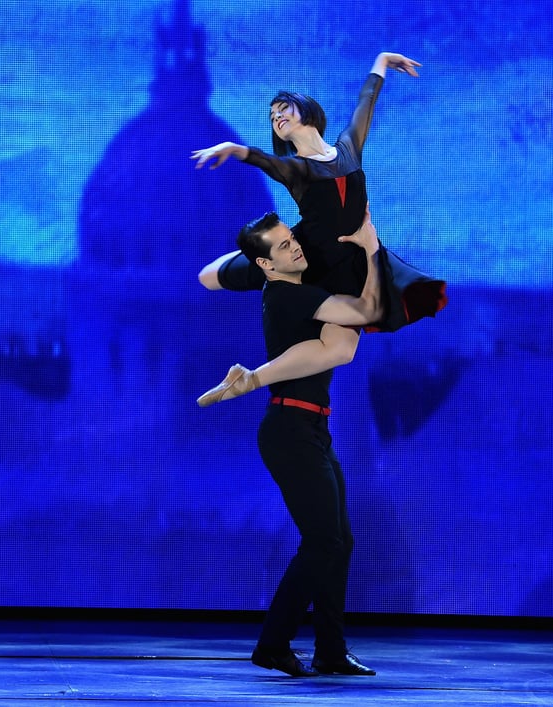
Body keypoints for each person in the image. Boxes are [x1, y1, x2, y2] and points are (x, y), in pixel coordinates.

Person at [192, 52, 447, 399]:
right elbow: (266, 161)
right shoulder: (295, 168)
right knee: (207, 278)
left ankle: (248, 379)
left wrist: (382, 62)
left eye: (283, 108)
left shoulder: (348, 149)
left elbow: (365, 103)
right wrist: (235, 149)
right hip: (301, 254)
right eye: (272, 116)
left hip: (344, 266)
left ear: (306, 110)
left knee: (342, 350)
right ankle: (254, 257)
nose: (277, 116)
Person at [227, 208, 381, 678]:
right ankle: (273, 643)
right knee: (322, 542)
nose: (294, 246)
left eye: (292, 237)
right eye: (282, 246)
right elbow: (369, 311)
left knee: (340, 542)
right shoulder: (289, 297)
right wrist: (371, 248)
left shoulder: (295, 289)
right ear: (267, 266)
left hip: (312, 429)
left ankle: (331, 650)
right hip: (290, 431)